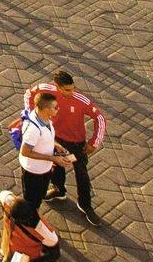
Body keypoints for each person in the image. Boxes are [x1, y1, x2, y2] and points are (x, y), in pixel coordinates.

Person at [27, 71, 105, 224]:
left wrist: (94, 143)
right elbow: (30, 94)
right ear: (57, 86)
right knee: (56, 166)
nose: (72, 92)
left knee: (81, 174)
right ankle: (58, 190)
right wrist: (30, 116)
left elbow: (100, 118)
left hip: (76, 144)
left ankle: (85, 204)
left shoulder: (81, 100)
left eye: (73, 88)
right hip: (55, 139)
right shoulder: (46, 89)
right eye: (67, 89)